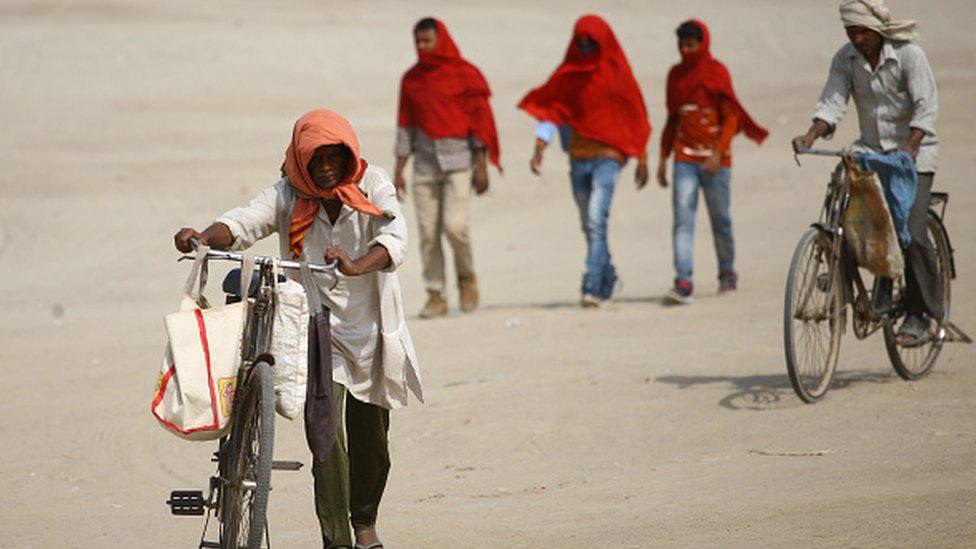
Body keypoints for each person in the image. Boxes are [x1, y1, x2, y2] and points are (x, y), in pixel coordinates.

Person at [174, 109, 422, 549]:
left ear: (348, 155)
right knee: (327, 443)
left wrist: (355, 264)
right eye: (316, 160)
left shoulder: (374, 184)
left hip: (371, 332)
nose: (325, 168)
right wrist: (203, 237)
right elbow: (244, 221)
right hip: (316, 330)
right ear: (301, 161)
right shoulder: (289, 193)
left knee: (373, 444)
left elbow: (395, 237)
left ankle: (364, 520)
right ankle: (338, 540)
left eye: (333, 157)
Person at [792, 0, 941, 347]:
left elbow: (926, 104)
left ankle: (920, 312)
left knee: (913, 232)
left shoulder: (908, 55)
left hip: (915, 156)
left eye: (863, 32)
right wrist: (811, 135)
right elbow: (832, 103)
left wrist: (912, 145)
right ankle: (854, 272)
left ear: (877, 29)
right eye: (851, 32)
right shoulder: (845, 59)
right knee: (847, 208)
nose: (857, 39)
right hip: (873, 152)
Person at [519, 14, 651, 308]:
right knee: (589, 225)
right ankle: (610, 278)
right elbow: (553, 109)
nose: (587, 48)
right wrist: (540, 145)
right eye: (583, 43)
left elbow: (634, 115)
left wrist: (642, 156)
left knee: (595, 220)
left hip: (608, 158)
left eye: (593, 43)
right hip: (578, 159)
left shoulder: (617, 74)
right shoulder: (570, 73)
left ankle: (591, 287)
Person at [395, 17, 501, 318]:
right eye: (417, 41)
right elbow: (406, 125)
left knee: (455, 227)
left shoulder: (465, 75)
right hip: (425, 164)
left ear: (440, 40)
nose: (422, 47)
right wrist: (399, 168)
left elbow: (480, 121)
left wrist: (482, 166)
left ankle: (467, 278)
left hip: (459, 162)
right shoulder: (412, 80)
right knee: (428, 235)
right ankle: (436, 295)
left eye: (427, 40)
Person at [658, 19, 768, 305]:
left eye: (690, 45)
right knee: (682, 221)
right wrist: (662, 157)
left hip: (716, 163)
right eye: (681, 45)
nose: (685, 50)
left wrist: (718, 153)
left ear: (702, 43)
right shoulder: (676, 75)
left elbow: (730, 117)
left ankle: (727, 273)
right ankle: (683, 281)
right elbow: (673, 117)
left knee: (721, 219)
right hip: (684, 159)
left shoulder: (716, 72)